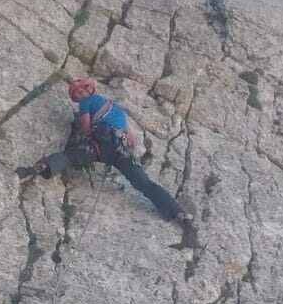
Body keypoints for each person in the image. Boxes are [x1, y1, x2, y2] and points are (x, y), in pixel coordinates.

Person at [17, 78, 191, 223]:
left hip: (100, 144)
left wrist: (80, 136)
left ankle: (40, 168)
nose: (79, 96)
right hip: (122, 152)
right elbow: (133, 139)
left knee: (70, 157)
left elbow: (85, 126)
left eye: (79, 92)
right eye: (76, 95)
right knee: (143, 183)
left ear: (88, 90)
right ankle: (176, 212)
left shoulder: (87, 102)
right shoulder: (116, 108)